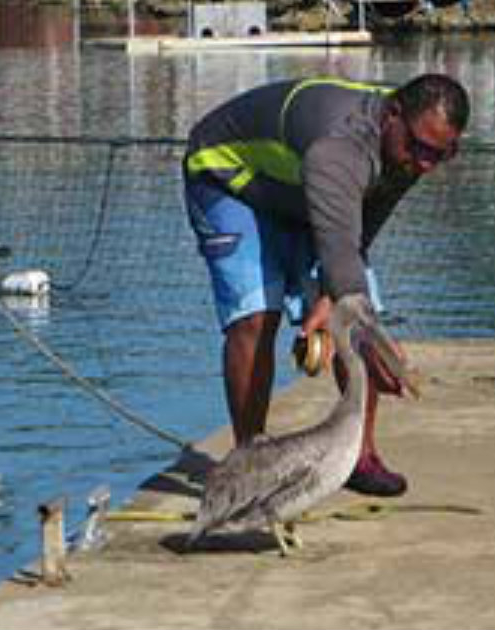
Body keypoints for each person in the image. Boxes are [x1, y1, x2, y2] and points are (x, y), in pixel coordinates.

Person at [182, 73, 470, 497]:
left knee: (357, 316)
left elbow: (356, 238)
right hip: (230, 183)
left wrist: (333, 297)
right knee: (258, 316)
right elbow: (340, 255)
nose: (425, 163)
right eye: (420, 148)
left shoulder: (408, 149)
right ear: (392, 115)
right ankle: (249, 465)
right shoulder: (340, 150)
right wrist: (376, 338)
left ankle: (359, 456)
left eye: (439, 154)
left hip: (298, 194)